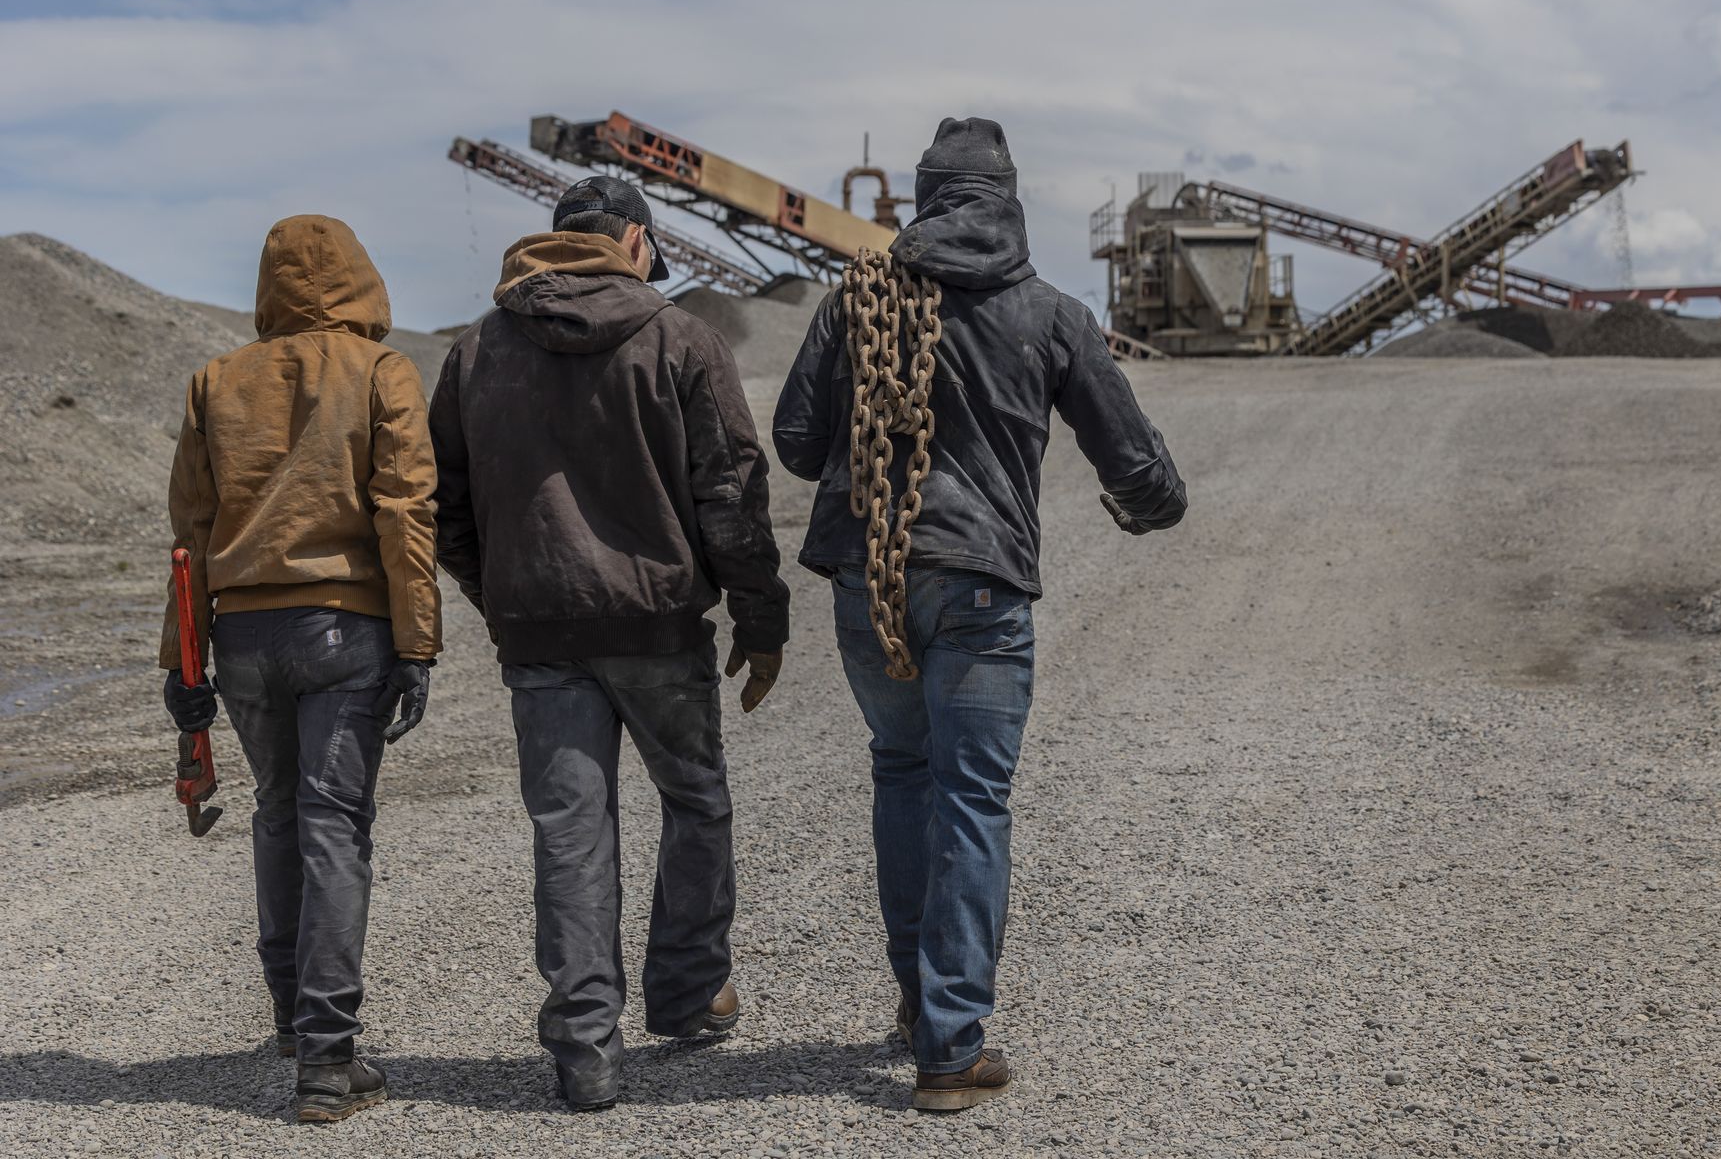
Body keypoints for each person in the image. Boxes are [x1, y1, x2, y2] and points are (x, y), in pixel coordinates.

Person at [774, 117, 1188, 1111]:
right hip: (982, 589)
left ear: (923, 201)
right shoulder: (1048, 313)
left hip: (867, 582)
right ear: (1007, 201)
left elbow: (795, 440)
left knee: (904, 771)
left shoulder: (857, 300)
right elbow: (1136, 464)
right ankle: (950, 1047)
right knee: (969, 796)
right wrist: (1152, 503)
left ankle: (924, 1006)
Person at [429, 176, 789, 1112]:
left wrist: (502, 596)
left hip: (539, 636)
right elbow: (731, 494)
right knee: (696, 803)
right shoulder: (680, 339)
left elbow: (447, 508)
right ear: (636, 240)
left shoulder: (478, 352)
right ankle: (685, 992)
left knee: (570, 834)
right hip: (659, 626)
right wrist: (760, 617)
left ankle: (585, 1051)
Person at [159, 214, 440, 1124]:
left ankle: (290, 1017)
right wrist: (417, 642)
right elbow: (405, 508)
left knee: (279, 815)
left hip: (242, 637)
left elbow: (191, 537)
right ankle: (327, 1059)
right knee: (333, 827)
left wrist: (183, 665)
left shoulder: (217, 382)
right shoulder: (381, 372)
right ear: (362, 277)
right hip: (345, 629)